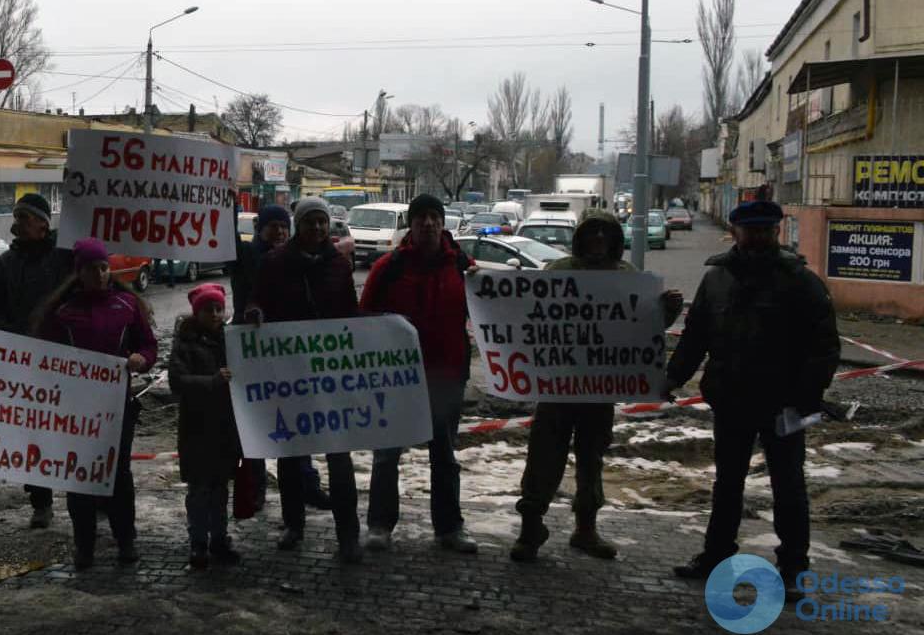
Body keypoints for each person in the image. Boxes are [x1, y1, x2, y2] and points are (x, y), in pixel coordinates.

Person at [666, 200, 838, 601]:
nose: (760, 237)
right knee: (727, 484)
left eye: (767, 230)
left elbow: (824, 348)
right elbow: (696, 337)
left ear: (777, 232)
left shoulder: (801, 281)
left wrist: (805, 398)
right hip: (732, 398)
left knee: (789, 487)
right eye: (752, 230)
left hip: (785, 405)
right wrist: (673, 378)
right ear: (736, 230)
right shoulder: (717, 279)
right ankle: (714, 557)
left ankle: (794, 569)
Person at [508, 210, 683, 563]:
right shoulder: (559, 272)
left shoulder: (627, 276)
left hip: (599, 390)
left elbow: (640, 333)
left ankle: (585, 528)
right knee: (543, 456)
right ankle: (531, 526)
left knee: (591, 458)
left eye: (606, 234)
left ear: (616, 239)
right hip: (557, 388)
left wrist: (667, 313)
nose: (599, 240)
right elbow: (527, 315)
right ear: (581, 238)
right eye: (593, 233)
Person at [357, 193, 479, 556]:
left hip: (446, 377)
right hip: (396, 381)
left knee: (444, 456)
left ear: (443, 223)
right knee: (386, 455)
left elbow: (493, 312)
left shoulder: (462, 266)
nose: (428, 223)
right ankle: (379, 525)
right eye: (421, 217)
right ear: (410, 224)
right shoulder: (388, 267)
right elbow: (365, 319)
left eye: (434, 217)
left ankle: (449, 528)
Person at [249, 197, 363, 563]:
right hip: (290, 373)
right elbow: (259, 301)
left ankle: (348, 534)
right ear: (299, 225)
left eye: (322, 222)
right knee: (291, 454)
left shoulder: (339, 266)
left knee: (339, 455)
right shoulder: (274, 263)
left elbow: (349, 313)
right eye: (310, 222)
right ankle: (293, 524)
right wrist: (254, 312)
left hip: (330, 377)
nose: (317, 228)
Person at [35, 238, 157, 569]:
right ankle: (84, 546)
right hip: (76, 408)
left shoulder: (127, 305)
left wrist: (138, 359)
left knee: (119, 474)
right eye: (93, 269)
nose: (101, 274)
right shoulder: (63, 312)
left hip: (119, 404)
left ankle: (126, 540)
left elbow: (148, 346)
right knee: (80, 476)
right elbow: (45, 357)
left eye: (104, 268)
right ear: (79, 273)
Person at [0, 193, 76, 528]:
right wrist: (13, 336)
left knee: (75, 429)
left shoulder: (65, 259)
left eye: (23, 217)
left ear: (42, 224)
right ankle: (41, 501)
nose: (15, 224)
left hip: (64, 360)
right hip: (24, 362)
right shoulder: (5, 264)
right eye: (16, 216)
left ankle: (93, 495)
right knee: (34, 432)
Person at [229, 205, 331, 511]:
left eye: (284, 227)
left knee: (297, 421)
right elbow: (225, 239)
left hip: (289, 350)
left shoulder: (294, 258)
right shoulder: (246, 255)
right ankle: (256, 489)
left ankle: (307, 485)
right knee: (257, 423)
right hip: (252, 349)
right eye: (273, 226)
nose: (280, 232)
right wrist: (227, 203)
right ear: (261, 228)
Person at [169, 283, 243, 570]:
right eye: (208, 309)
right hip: (196, 429)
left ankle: (219, 539)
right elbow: (178, 382)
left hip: (225, 428)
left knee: (220, 488)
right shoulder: (185, 343)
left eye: (219, 309)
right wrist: (212, 382)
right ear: (197, 313)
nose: (215, 314)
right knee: (199, 490)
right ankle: (198, 542)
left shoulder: (231, 339)